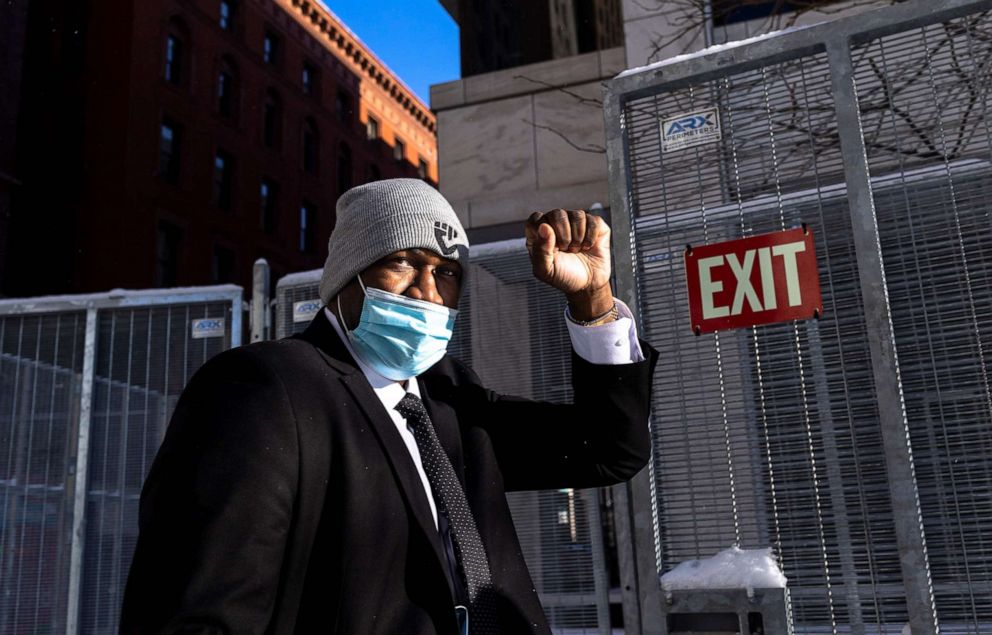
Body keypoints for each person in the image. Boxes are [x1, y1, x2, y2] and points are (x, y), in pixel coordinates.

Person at [121, 178, 657, 634]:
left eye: (447, 272)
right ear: (347, 275)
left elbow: (609, 449)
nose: (427, 290)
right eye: (403, 262)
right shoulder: (264, 389)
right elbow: (199, 611)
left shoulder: (449, 395)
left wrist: (593, 300)